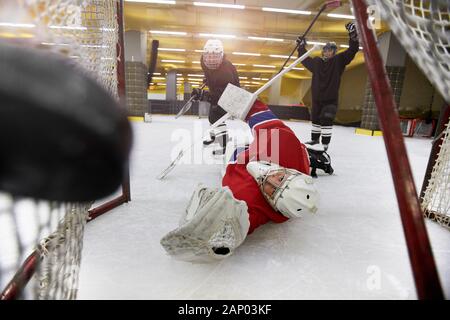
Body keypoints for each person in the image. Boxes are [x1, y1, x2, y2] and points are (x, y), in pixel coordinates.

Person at [161, 99, 319, 262]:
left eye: (272, 190)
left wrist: (220, 237)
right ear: (291, 171)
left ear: (274, 204)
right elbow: (260, 115)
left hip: (236, 159)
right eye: (280, 178)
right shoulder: (283, 143)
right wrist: (234, 98)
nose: (268, 180)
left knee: (235, 150)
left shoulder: (254, 202)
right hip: (262, 151)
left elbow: (242, 223)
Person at [297, 21, 359, 151]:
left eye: (330, 50)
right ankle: (314, 140)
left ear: (334, 51)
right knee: (315, 120)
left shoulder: (338, 61)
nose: (327, 52)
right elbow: (304, 59)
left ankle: (325, 144)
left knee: (326, 119)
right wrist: (301, 46)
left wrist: (353, 34)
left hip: (330, 100)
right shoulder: (317, 62)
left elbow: (352, 50)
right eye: (325, 50)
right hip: (317, 99)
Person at [192, 39, 240, 155]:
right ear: (204, 55)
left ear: (222, 55)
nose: (211, 60)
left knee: (217, 118)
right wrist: (208, 80)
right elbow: (209, 74)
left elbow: (221, 96)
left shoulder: (225, 73)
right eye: (209, 57)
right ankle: (214, 137)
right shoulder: (204, 62)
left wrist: (204, 95)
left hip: (230, 94)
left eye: (215, 57)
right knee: (211, 116)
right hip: (217, 89)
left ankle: (223, 146)